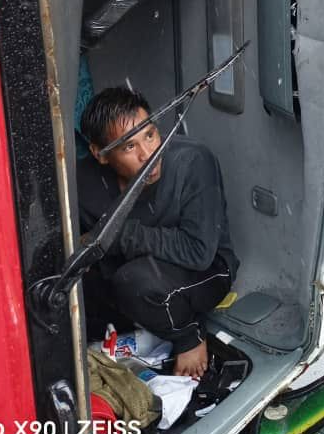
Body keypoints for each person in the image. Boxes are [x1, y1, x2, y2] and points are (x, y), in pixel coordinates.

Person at [78, 86, 239, 379]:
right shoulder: (85, 182)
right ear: (100, 155)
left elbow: (198, 252)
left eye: (150, 135)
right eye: (129, 147)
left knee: (134, 280)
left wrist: (118, 235)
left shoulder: (193, 161)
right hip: (133, 274)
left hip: (206, 271)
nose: (147, 154)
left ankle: (188, 336)